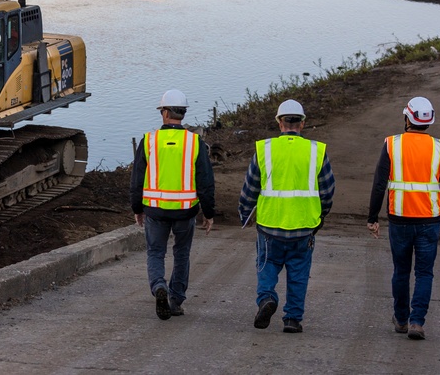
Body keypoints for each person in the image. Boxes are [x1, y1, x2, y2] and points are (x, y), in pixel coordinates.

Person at [238, 99, 335, 333]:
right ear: (302, 123)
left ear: (280, 122)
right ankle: (292, 319)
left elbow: (250, 187)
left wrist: (245, 213)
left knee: (267, 265)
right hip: (303, 226)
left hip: (270, 225)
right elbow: (328, 190)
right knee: (299, 273)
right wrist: (320, 217)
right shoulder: (316, 151)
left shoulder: (265, 149)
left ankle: (267, 299)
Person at [367, 96, 440, 341]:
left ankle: (401, 319)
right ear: (429, 122)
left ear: (407, 118)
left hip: (400, 218)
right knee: (425, 273)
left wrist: (372, 217)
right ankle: (417, 322)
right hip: (430, 218)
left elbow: (379, 184)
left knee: (401, 271)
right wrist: (436, 201)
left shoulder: (392, 144)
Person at [130, 89, 215, 320]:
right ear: (183, 114)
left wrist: (137, 209)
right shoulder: (195, 142)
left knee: (156, 252)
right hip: (185, 212)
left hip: (155, 210)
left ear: (164, 112)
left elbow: (137, 179)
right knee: (182, 254)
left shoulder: (149, 141)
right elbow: (205, 181)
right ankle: (176, 301)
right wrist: (209, 213)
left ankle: (159, 285)